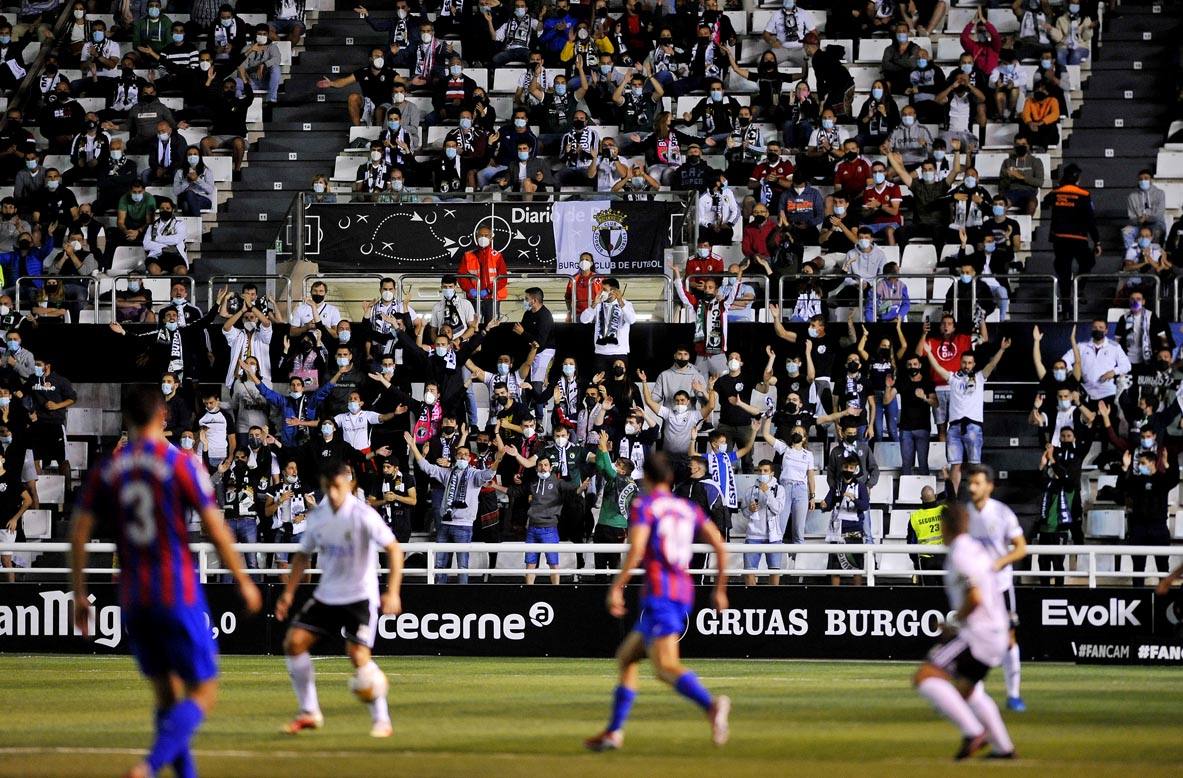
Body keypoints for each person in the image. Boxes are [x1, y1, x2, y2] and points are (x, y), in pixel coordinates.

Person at [70, 385, 262, 778]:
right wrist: (243, 579)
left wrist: (79, 593)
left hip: (133, 597)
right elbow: (213, 527)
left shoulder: (107, 468)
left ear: (126, 420)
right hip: (176, 589)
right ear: (164, 416)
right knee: (204, 690)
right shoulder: (180, 463)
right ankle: (149, 766)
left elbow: (79, 532)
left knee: (167, 695)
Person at [584, 454, 731, 752]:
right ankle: (614, 732)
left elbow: (636, 549)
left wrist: (617, 585)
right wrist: (720, 589)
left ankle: (712, 705)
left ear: (647, 479)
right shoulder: (686, 507)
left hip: (663, 592)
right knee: (627, 657)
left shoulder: (645, 506)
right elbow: (718, 543)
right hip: (681, 589)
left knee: (665, 667)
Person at [274, 460, 403, 739]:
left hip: (359, 596)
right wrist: (288, 593)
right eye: (328, 487)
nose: (332, 493)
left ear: (350, 485)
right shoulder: (318, 517)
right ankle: (309, 712)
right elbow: (302, 556)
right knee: (294, 643)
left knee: (357, 656)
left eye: (337, 487)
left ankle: (382, 719)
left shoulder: (363, 515)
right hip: (327, 595)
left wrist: (392, 591)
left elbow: (394, 549)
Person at [912, 501, 1016, 761]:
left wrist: (956, 622)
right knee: (971, 690)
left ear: (943, 526)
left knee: (926, 676)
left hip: (980, 634)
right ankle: (1004, 749)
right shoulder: (976, 550)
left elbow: (975, 596)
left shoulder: (961, 554)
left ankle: (973, 733)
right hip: (996, 632)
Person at [965, 464, 1028, 713]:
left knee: (1008, 640)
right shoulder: (966, 515)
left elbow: (1021, 548)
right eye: (970, 483)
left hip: (1000, 587)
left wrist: (998, 563)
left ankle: (1013, 695)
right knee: (972, 639)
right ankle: (973, 693)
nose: (972, 487)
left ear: (989, 486)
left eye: (977, 483)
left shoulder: (1002, 514)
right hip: (976, 588)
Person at [1044, 163, 1101, 306]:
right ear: (1078, 178)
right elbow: (1090, 219)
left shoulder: (1056, 192)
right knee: (1088, 262)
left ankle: (1066, 307)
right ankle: (1079, 288)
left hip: (1060, 239)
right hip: (1078, 238)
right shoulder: (1084, 194)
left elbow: (1045, 203)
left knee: (1064, 272)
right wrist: (1097, 241)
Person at [906, 486, 945, 584]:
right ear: (935, 496)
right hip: (944, 558)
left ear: (921, 499)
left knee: (928, 594)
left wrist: (916, 563)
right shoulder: (944, 511)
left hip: (925, 560)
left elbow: (911, 543)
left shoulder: (915, 517)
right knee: (946, 593)